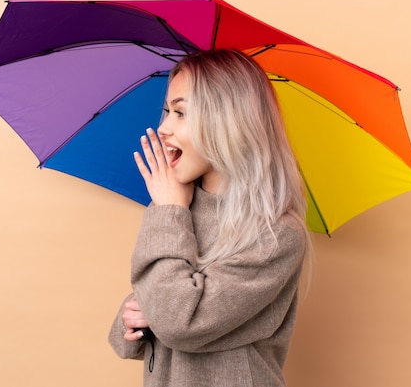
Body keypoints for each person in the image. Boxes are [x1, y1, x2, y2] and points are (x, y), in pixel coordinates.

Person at [108, 49, 311, 387]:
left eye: (181, 113)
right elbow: (135, 333)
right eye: (166, 112)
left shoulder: (275, 234)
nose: (163, 128)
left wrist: (168, 211)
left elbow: (178, 324)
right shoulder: (174, 206)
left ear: (227, 122)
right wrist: (130, 320)